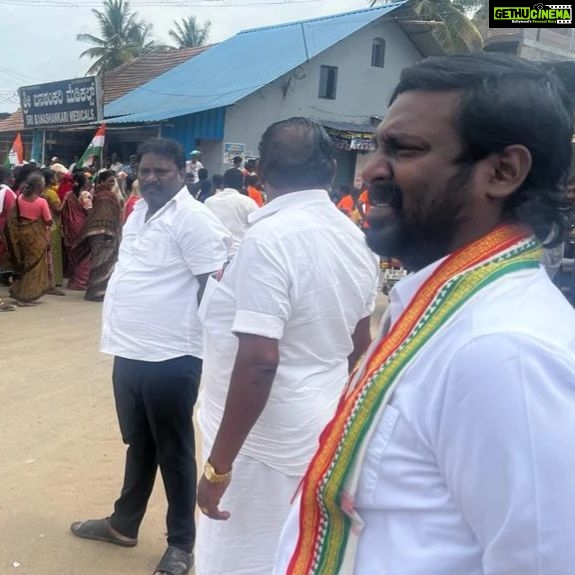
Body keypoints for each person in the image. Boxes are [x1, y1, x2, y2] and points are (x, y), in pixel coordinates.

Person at [275, 54, 575, 575]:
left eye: (403, 149)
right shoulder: (446, 306)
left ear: (503, 172)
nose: (370, 170)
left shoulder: (505, 350)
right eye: (377, 145)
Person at [195, 117, 379, 575]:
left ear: (261, 169)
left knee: (240, 558)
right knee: (295, 552)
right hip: (319, 426)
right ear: (331, 169)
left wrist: (219, 467)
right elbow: (360, 345)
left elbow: (259, 364)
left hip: (259, 443)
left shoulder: (268, 238)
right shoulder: (357, 239)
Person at [70, 138, 230, 575]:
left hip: (172, 355)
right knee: (138, 441)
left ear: (182, 173)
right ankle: (124, 524)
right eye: (145, 171)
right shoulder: (139, 211)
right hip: (130, 349)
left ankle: (182, 544)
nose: (152, 178)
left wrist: (207, 351)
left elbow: (211, 289)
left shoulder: (194, 220)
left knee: (174, 451)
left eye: (162, 171)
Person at [4, 173, 52, 305]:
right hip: (37, 237)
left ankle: (19, 290)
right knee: (34, 266)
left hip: (21, 235)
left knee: (25, 264)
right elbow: (48, 221)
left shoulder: (19, 198)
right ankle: (26, 295)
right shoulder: (41, 202)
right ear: (40, 186)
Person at [75, 170, 122, 302]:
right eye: (109, 181)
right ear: (101, 181)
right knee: (101, 261)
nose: (112, 183)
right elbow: (102, 214)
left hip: (101, 232)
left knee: (101, 261)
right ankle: (97, 292)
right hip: (103, 234)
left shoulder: (101, 194)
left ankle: (97, 290)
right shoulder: (105, 196)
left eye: (114, 181)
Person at [205, 167, 258, 259]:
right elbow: (258, 227)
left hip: (212, 255)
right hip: (237, 256)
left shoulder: (209, 202)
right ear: (242, 183)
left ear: (224, 182)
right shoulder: (248, 202)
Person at [61, 172, 92, 291]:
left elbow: (60, 209)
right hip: (81, 227)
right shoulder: (85, 195)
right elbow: (89, 211)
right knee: (84, 255)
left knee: (73, 255)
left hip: (69, 227)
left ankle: (73, 281)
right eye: (87, 180)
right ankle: (81, 282)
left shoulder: (68, 194)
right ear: (84, 182)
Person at [42, 168, 65, 290]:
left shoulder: (42, 191)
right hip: (53, 224)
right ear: (51, 179)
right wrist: (66, 199)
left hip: (43, 225)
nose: (57, 179)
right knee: (54, 253)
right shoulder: (51, 193)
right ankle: (54, 280)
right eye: (55, 176)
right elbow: (58, 210)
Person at [0, 167, 17, 286]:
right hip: (5, 227)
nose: (13, 178)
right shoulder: (7, 192)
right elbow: (12, 210)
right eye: (11, 175)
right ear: (6, 178)